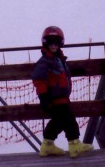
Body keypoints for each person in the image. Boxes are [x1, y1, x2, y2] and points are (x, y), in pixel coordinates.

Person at [31, 26, 94, 158]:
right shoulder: (45, 62)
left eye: (56, 42)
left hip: (62, 97)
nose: (53, 45)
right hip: (54, 98)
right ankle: (74, 144)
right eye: (50, 42)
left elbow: (61, 75)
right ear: (45, 43)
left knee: (58, 121)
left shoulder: (58, 60)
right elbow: (39, 79)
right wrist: (43, 96)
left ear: (60, 44)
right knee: (69, 121)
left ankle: (47, 145)